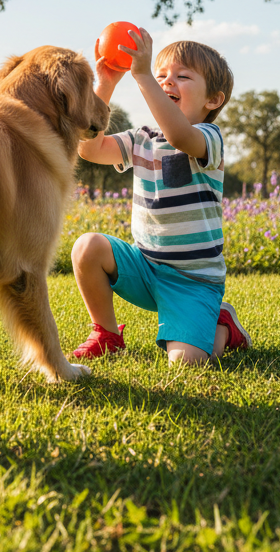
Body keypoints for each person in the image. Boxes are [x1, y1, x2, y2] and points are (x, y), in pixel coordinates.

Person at [69, 27, 250, 364]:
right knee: (87, 246)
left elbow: (179, 136)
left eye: (182, 76)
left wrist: (143, 77)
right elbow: (90, 150)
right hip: (146, 267)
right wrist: (106, 83)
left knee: (187, 362)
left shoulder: (209, 138)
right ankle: (106, 334)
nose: (167, 81)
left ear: (213, 100)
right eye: (162, 74)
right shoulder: (141, 138)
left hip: (193, 282)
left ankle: (223, 322)